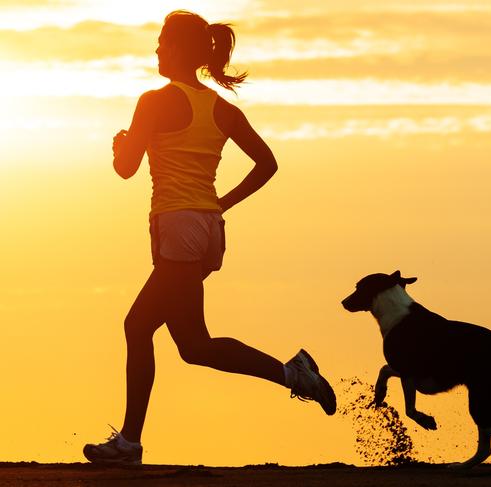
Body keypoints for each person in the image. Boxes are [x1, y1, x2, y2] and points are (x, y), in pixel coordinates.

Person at [83, 10, 336, 466]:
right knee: (174, 339)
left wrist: (120, 145)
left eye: (161, 41)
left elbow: (125, 169)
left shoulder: (153, 101)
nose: (157, 49)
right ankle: (131, 440)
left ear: (178, 48)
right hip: (207, 231)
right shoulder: (221, 109)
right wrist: (222, 204)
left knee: (172, 337)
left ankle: (293, 376)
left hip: (177, 228)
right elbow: (267, 164)